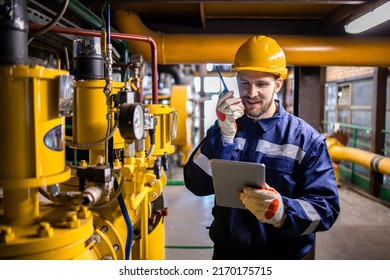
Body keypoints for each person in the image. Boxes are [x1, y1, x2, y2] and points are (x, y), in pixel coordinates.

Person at [183, 35, 340, 260]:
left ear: (278, 84)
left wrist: (283, 212)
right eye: (245, 83)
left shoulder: (306, 140)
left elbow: (326, 210)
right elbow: (195, 184)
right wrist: (223, 136)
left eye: (262, 84)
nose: (251, 93)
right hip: (227, 257)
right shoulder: (224, 128)